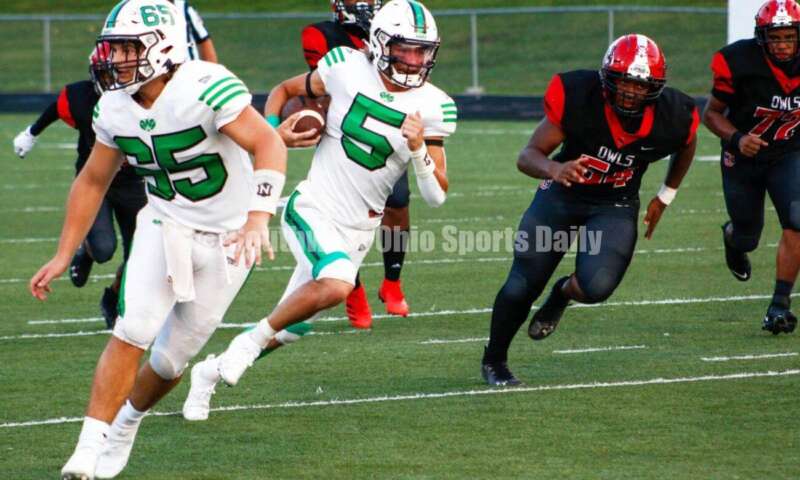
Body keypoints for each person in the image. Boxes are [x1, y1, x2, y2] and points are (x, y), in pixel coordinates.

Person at [28, 1, 287, 478]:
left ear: (163, 48)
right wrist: (64, 253)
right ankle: (87, 447)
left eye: (127, 48)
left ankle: (126, 424)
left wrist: (258, 216)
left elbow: (268, 143)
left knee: (170, 362)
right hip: (165, 225)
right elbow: (92, 180)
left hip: (230, 239)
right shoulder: (113, 106)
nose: (114, 58)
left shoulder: (206, 85)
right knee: (133, 330)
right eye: (112, 48)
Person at [182, 0, 456, 422]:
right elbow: (284, 90)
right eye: (404, 48)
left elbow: (436, 195)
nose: (414, 60)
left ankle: (209, 373)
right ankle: (245, 346)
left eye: (422, 51)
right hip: (313, 206)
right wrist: (272, 132)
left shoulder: (436, 105)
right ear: (380, 43)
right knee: (337, 282)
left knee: (293, 327)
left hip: (360, 229)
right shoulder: (345, 65)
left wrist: (418, 148)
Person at [481, 34, 699, 386]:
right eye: (623, 81)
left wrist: (666, 194)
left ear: (654, 88)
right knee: (523, 283)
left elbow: (686, 144)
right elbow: (527, 156)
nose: (630, 92)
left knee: (596, 287)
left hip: (615, 203)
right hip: (562, 195)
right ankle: (494, 360)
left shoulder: (674, 115)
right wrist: (554, 169)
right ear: (607, 79)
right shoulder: (579, 97)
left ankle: (561, 294)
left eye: (640, 85)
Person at [299, 0, 417, 329]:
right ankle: (353, 287)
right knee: (343, 214)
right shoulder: (321, 35)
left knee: (398, 202)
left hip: (385, 127)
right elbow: (324, 87)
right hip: (344, 132)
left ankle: (392, 281)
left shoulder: (393, 29)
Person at [13, 45, 147, 329]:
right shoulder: (81, 97)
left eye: (120, 72)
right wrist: (32, 132)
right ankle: (86, 252)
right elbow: (56, 108)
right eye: (109, 74)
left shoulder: (147, 97)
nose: (115, 81)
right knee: (103, 248)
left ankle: (113, 297)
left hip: (134, 183)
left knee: (140, 254)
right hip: (95, 180)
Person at [703, 0, 800, 335]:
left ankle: (779, 304)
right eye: (775, 38)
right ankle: (733, 239)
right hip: (743, 157)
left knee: (797, 220)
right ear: (762, 38)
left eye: (789, 37)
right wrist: (737, 138)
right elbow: (710, 114)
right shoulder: (738, 61)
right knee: (747, 237)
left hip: (788, 153)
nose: (783, 44)